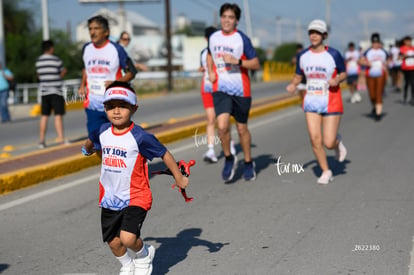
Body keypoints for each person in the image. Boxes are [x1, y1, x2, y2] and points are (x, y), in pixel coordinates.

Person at [81, 81, 189, 275]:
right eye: (110, 106)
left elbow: (164, 153)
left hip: (136, 196)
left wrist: (179, 177)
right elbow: (92, 138)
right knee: (113, 243)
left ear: (134, 108)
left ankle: (144, 254)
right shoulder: (103, 130)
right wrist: (87, 149)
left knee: (129, 238)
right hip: (109, 198)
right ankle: (127, 265)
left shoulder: (140, 136)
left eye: (122, 106)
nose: (116, 111)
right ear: (104, 108)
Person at [286, 19, 347, 184]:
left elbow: (343, 73)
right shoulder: (303, 56)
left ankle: (337, 141)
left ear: (324, 35)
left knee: (328, 142)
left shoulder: (333, 54)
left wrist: (337, 80)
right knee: (314, 138)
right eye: (311, 32)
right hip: (311, 101)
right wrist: (293, 85)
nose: (314, 36)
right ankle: (326, 171)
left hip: (331, 100)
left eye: (317, 33)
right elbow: (299, 75)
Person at [207, 3, 260, 182]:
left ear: (236, 20)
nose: (227, 20)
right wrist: (210, 71)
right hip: (220, 88)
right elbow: (209, 54)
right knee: (221, 126)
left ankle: (248, 161)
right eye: (224, 17)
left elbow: (255, 63)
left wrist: (237, 61)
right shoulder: (214, 37)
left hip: (241, 90)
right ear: (220, 18)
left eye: (231, 17)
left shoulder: (242, 39)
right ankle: (229, 158)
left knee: (241, 128)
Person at [78, 15, 137, 135]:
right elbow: (86, 69)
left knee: (116, 141)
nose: (92, 32)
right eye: (90, 29)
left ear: (106, 32)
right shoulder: (86, 48)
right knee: (95, 142)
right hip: (93, 104)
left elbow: (132, 72)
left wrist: (116, 83)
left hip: (113, 103)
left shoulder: (117, 49)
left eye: (96, 28)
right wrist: (82, 85)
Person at [199, 26, 236, 163]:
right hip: (207, 88)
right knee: (210, 119)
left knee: (223, 120)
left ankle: (229, 142)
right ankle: (210, 150)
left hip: (220, 88)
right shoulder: (203, 52)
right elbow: (204, 67)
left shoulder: (221, 51)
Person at [35, 39, 68, 148]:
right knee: (58, 116)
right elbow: (61, 73)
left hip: (44, 92)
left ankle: (41, 141)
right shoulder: (56, 60)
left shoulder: (38, 61)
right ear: (51, 48)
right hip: (56, 91)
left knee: (44, 116)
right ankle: (61, 140)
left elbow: (39, 76)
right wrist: (63, 73)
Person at [359, 33, 389, 121]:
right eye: (374, 42)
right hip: (370, 74)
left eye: (377, 42)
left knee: (378, 93)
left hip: (381, 74)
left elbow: (389, 60)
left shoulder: (383, 51)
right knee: (372, 95)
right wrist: (366, 63)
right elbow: (360, 61)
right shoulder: (368, 51)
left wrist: (385, 65)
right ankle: (374, 105)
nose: (375, 44)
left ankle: (378, 114)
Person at [399, 35, 414, 105]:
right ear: (405, 42)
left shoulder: (412, 48)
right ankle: (405, 97)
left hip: (412, 68)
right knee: (407, 83)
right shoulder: (402, 49)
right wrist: (405, 56)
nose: (409, 42)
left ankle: (412, 98)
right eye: (408, 41)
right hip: (406, 68)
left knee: (413, 83)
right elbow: (400, 58)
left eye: (410, 41)